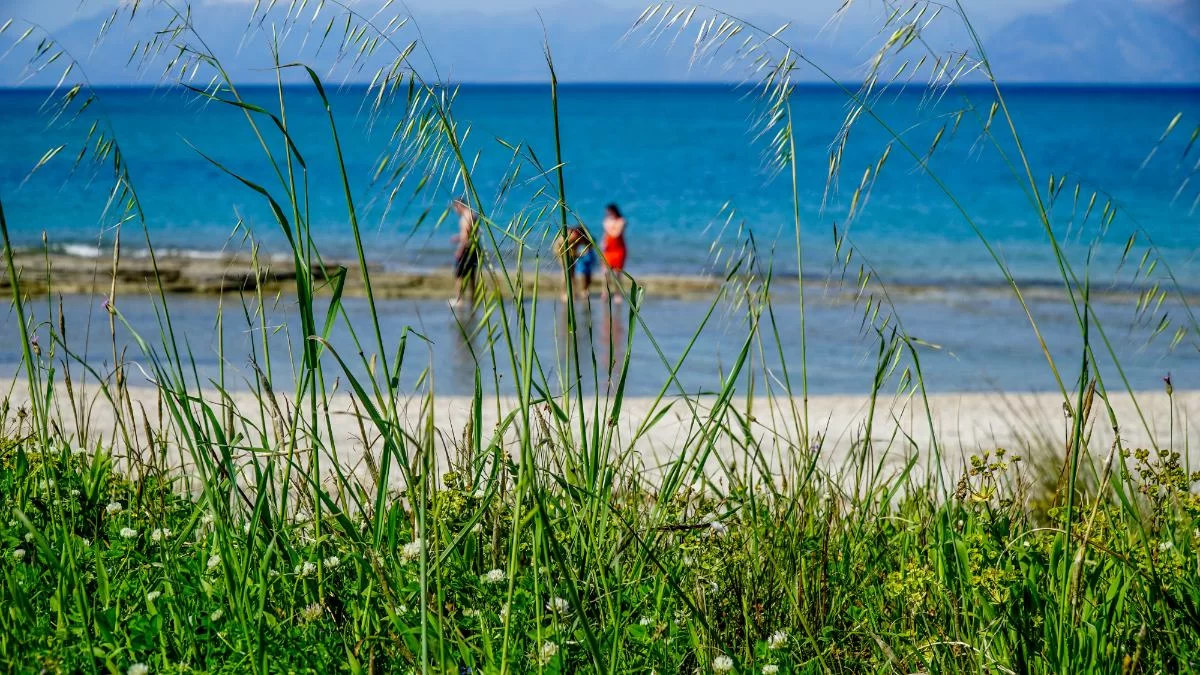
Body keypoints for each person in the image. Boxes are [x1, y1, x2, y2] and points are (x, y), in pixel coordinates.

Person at [450, 198, 479, 307]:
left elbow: (466, 236)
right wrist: (458, 237)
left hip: (466, 248)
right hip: (474, 247)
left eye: (455, 209)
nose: (456, 211)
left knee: (459, 274)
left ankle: (459, 299)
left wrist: (460, 251)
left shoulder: (465, 217)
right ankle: (473, 299)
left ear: (458, 205)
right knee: (472, 275)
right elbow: (472, 233)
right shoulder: (473, 215)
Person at [601, 203, 627, 303]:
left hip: (618, 249)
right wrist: (602, 245)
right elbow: (605, 235)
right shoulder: (607, 221)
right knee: (606, 272)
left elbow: (616, 233)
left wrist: (608, 227)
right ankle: (605, 292)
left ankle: (617, 294)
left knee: (617, 273)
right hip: (608, 249)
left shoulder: (621, 221)